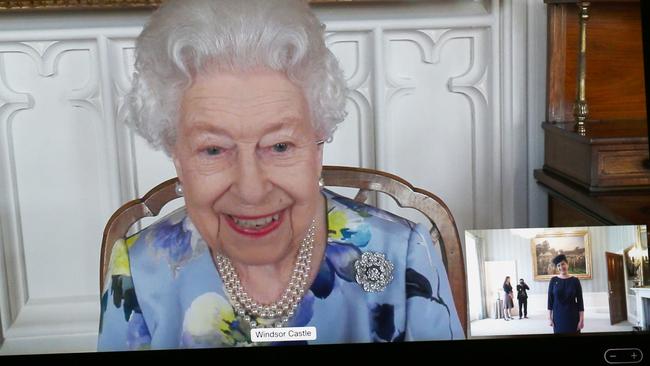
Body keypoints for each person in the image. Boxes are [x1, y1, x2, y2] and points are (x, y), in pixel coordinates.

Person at [97, 0, 464, 351]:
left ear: (317, 147)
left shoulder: (399, 256)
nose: (251, 191)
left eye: (279, 146)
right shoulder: (139, 274)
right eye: (213, 149)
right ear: (176, 156)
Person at [547, 254, 584, 334]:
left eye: (563, 264)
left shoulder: (575, 280)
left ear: (567, 264)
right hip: (558, 316)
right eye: (558, 265)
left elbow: (580, 302)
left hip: (573, 316)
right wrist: (549, 318)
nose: (561, 267)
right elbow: (550, 301)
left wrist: (581, 320)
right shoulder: (553, 281)